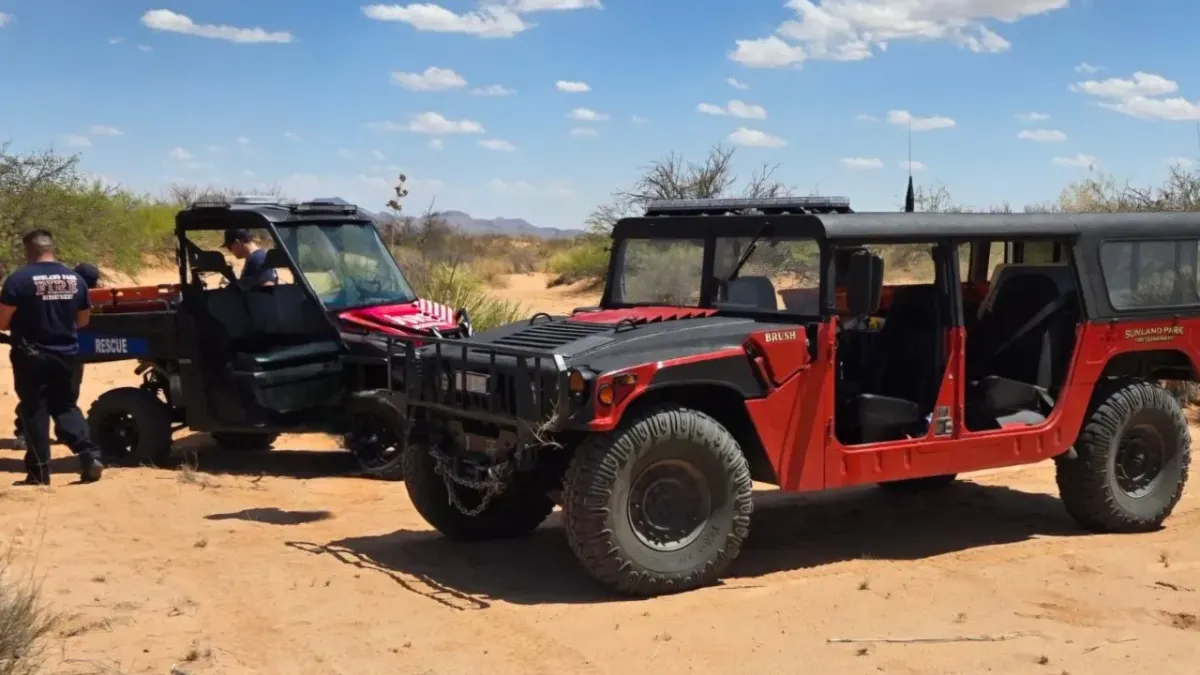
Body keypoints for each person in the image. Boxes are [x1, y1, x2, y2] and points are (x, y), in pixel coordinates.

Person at [0, 231, 104, 485]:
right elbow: (82, 320)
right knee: (66, 406)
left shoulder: (19, 280)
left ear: (29, 251)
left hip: (31, 355)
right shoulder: (75, 279)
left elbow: (2, 321)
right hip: (67, 354)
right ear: (52, 249)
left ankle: (39, 471)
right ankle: (89, 455)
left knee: (35, 409)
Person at [12, 262, 101, 448]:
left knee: (36, 397)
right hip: (70, 352)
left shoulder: (69, 290)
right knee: (66, 398)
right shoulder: (83, 294)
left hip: (44, 350)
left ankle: (27, 434)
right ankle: (71, 439)